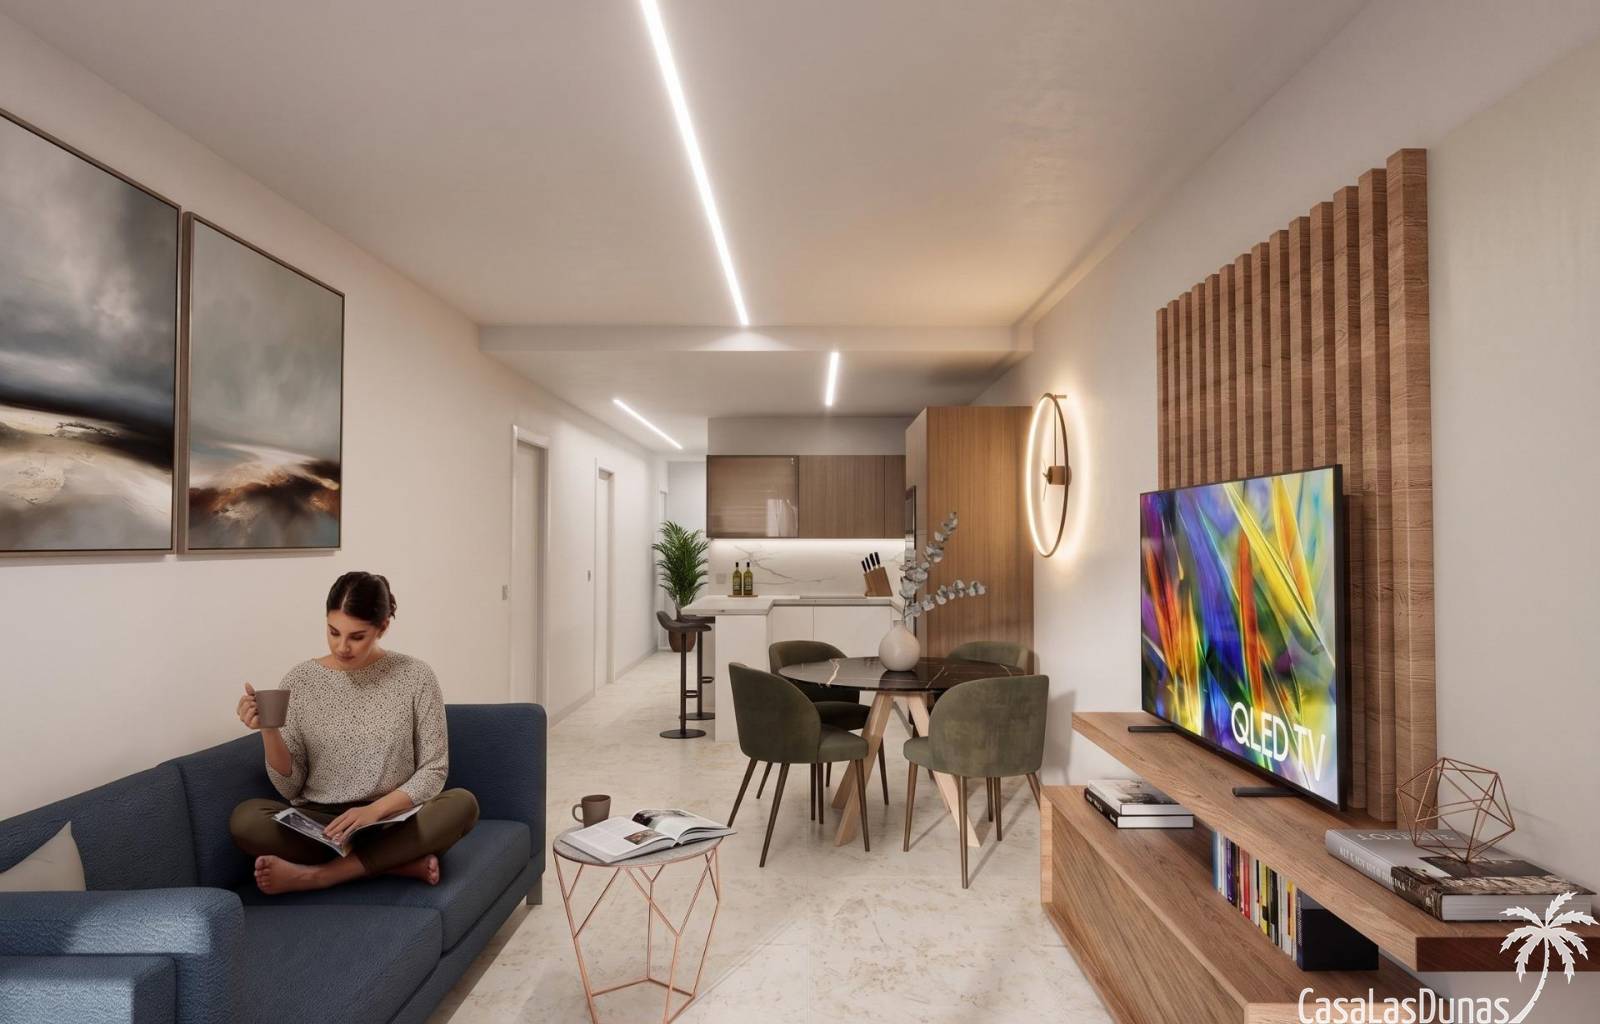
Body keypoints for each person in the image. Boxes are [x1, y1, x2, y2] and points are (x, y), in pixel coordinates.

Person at [228, 572, 478, 894]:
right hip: (323, 827)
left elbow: (434, 770)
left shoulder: (416, 676)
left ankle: (320, 876)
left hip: (392, 821)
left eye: (357, 637)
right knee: (246, 820)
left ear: (382, 627)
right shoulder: (300, 680)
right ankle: (395, 863)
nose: (341, 647)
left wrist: (374, 811)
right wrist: (268, 729)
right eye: (333, 632)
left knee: (462, 804)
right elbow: (290, 786)